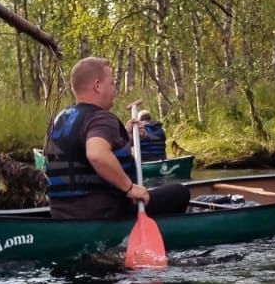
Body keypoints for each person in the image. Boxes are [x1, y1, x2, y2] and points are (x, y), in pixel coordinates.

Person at [43, 57, 189, 221]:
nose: (115, 90)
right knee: (180, 192)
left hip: (61, 213)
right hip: (102, 212)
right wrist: (129, 188)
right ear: (97, 86)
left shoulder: (60, 119)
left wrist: (124, 137)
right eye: (112, 84)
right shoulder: (101, 118)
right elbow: (96, 154)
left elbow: (79, 151)